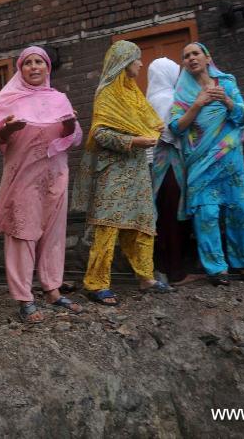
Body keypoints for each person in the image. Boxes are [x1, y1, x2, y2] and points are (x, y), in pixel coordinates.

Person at [0, 46, 83, 323]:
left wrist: (68, 125)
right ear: (20, 68)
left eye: (40, 62)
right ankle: (24, 297)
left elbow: (73, 138)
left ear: (47, 67)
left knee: (53, 233)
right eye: (28, 63)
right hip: (22, 176)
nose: (34, 67)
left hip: (55, 174)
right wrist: (9, 128)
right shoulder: (9, 99)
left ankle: (52, 289)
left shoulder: (59, 98)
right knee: (22, 233)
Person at [72, 41, 173, 306]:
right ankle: (96, 283)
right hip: (113, 170)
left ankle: (146, 277)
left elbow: (149, 122)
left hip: (137, 170)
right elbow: (99, 133)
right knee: (108, 226)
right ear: (125, 61)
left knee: (142, 223)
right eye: (137, 59)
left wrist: (153, 130)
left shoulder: (134, 94)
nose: (141, 64)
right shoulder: (106, 94)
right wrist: (133, 141)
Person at [169, 42, 244, 288]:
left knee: (240, 211)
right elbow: (175, 127)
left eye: (196, 53)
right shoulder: (182, 93)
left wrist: (226, 100)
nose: (191, 58)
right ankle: (216, 268)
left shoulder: (227, 84)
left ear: (207, 58)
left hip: (229, 160)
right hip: (200, 162)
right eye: (186, 56)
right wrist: (198, 104)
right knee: (207, 213)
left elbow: (243, 117)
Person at [146, 57, 196, 285]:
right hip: (168, 164)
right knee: (173, 217)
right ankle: (177, 272)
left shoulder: (149, 98)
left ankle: (164, 269)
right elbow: (169, 132)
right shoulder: (167, 99)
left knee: (163, 218)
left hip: (154, 165)